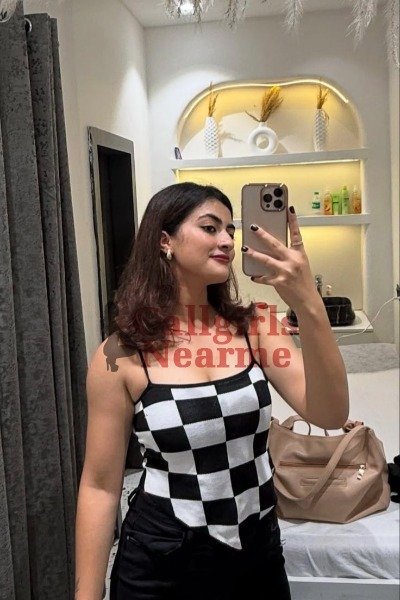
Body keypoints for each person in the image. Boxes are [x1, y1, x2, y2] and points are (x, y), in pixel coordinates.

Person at [74, 182, 349, 600]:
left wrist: (307, 300)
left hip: (256, 552)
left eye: (230, 230)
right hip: (162, 559)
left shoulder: (255, 327)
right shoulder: (124, 353)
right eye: (210, 227)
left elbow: (330, 414)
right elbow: (99, 486)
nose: (226, 240)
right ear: (165, 241)